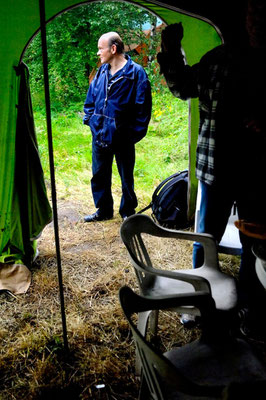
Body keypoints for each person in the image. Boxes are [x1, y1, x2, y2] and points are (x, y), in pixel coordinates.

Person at [157, 0, 266, 334]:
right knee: (206, 238)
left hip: (257, 171)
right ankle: (203, 302)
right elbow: (183, 87)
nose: (253, 24)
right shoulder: (218, 59)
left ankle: (252, 309)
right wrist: (171, 51)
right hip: (215, 165)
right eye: (250, 16)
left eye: (259, 17)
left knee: (255, 243)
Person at [83, 32, 152, 222]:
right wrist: (91, 120)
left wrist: (131, 135)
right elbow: (90, 100)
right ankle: (103, 211)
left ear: (113, 49)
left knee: (126, 178)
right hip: (100, 134)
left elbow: (143, 108)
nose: (98, 53)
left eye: (100, 48)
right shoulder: (101, 71)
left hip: (123, 137)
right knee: (99, 175)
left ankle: (128, 212)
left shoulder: (136, 73)